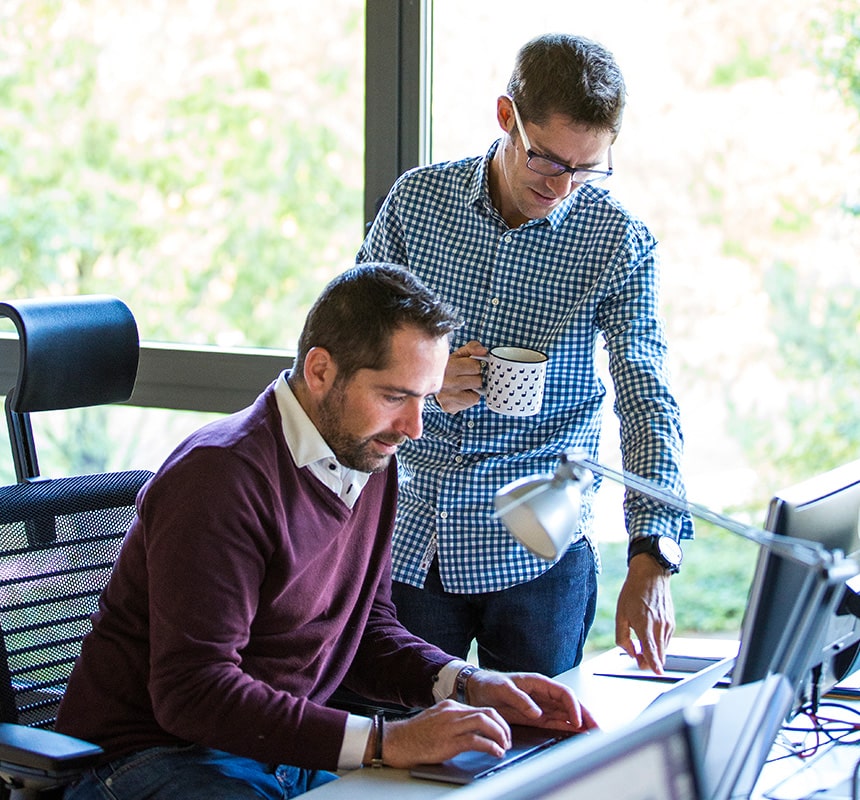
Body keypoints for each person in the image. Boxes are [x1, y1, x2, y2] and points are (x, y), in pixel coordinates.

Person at [55, 263, 594, 800]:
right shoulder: (220, 475)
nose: (413, 427)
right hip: (145, 758)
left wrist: (468, 683)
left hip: (268, 753)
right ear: (319, 370)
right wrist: (387, 740)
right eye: (394, 396)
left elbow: (365, 632)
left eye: (425, 399)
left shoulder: (364, 451)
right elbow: (194, 692)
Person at [356, 33, 693, 678]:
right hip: (408, 539)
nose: (564, 186)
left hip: (540, 547)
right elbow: (349, 347)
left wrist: (653, 555)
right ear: (508, 117)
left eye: (588, 168)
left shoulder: (616, 241)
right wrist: (419, 379)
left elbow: (647, 394)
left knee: (539, 762)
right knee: (396, 752)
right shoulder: (416, 203)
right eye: (548, 162)